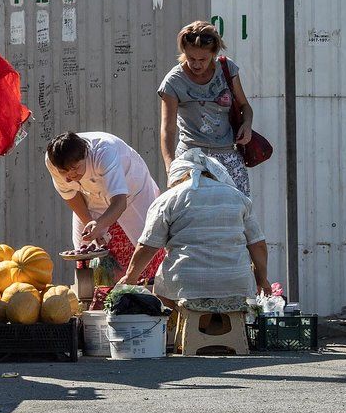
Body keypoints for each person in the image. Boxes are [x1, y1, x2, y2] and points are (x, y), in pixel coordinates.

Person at [117, 149, 269, 302]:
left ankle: (173, 325)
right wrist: (262, 280)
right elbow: (258, 245)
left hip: (184, 285)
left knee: (161, 298)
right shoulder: (238, 197)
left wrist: (130, 278)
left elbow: (148, 246)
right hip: (236, 284)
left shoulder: (169, 199)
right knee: (231, 315)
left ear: (178, 175)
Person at [46, 131, 163, 280]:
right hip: (90, 197)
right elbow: (70, 194)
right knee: (84, 250)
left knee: (147, 243)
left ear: (86, 155)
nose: (70, 176)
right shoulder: (52, 161)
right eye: (64, 172)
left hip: (132, 194)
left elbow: (120, 202)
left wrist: (100, 225)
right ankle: (91, 297)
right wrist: (90, 223)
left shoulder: (104, 152)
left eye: (75, 168)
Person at [158, 20, 254, 195]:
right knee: (192, 213)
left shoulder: (227, 69)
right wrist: (171, 168)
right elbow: (168, 129)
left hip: (227, 156)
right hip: (192, 157)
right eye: (191, 58)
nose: (196, 64)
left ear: (214, 53)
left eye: (203, 59)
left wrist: (247, 125)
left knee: (239, 211)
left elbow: (245, 106)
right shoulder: (173, 81)